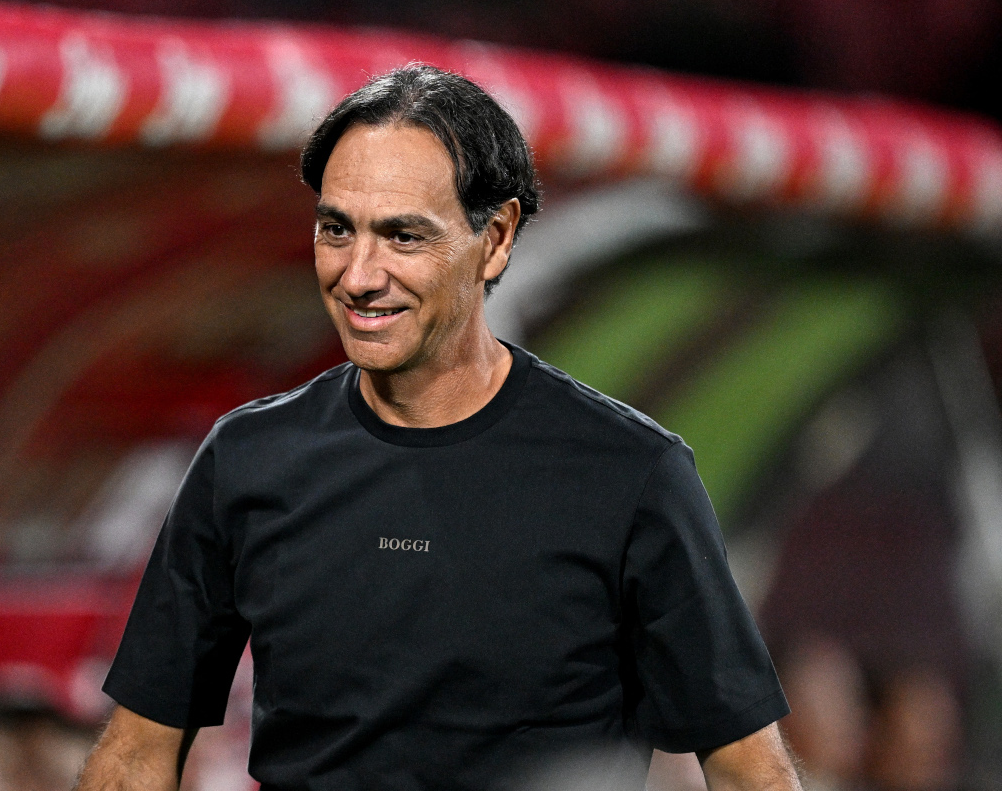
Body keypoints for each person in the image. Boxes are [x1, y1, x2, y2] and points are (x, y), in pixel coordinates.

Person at [75, 64, 801, 791]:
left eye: (402, 236)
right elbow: (138, 752)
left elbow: (748, 771)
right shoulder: (248, 461)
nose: (358, 275)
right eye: (337, 230)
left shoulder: (631, 474)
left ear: (497, 238)